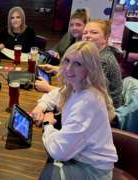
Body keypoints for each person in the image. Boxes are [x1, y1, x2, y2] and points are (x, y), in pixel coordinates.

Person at [31, 41, 117, 180]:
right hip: (79, 159)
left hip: (92, 171)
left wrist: (48, 125)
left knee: (36, 171)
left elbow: (59, 152)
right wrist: (40, 107)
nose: (69, 68)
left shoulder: (87, 101)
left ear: (90, 68)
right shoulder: (78, 85)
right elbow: (55, 95)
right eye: (67, 61)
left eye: (78, 64)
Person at [36, 20, 123, 108]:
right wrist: (56, 69)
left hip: (104, 113)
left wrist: (48, 88)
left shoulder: (103, 61)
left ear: (106, 37)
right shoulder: (94, 55)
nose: (88, 36)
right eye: (85, 33)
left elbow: (84, 96)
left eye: (94, 33)